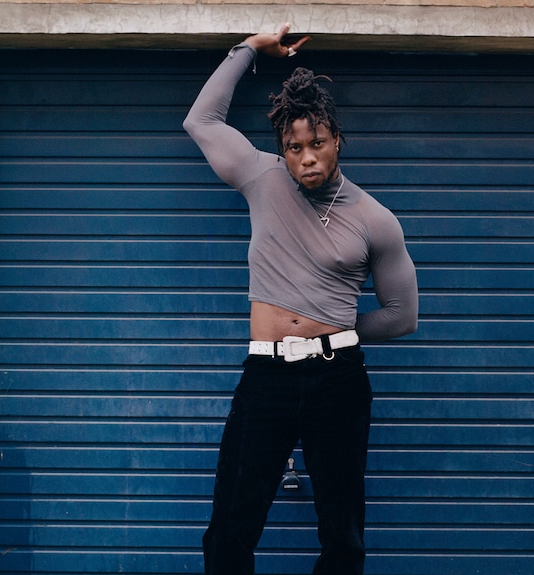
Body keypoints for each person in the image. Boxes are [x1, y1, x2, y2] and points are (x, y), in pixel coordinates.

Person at [183, 23, 419, 575]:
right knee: (230, 526)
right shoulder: (259, 177)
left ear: (336, 140)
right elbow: (201, 120)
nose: (307, 157)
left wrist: (337, 332)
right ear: (282, 150)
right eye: (295, 147)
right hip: (266, 377)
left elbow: (402, 316)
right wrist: (250, 48)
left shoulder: (375, 219)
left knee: (343, 532)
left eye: (317, 144)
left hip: (337, 380)